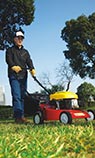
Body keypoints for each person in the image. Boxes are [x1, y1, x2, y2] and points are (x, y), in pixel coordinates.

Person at [6, 30, 36, 123]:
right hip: (14, 76)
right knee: (16, 95)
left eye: (21, 38)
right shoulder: (10, 50)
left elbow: (29, 61)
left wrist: (32, 68)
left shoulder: (25, 52)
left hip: (23, 76)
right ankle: (18, 117)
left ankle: (22, 116)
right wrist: (13, 66)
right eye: (18, 38)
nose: (20, 40)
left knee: (22, 96)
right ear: (14, 39)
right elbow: (8, 59)